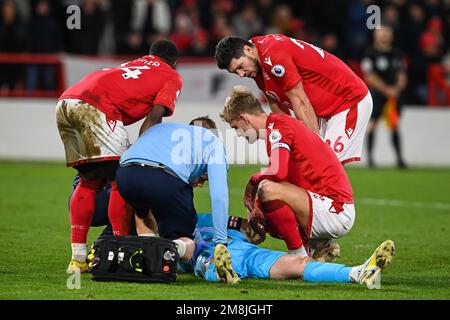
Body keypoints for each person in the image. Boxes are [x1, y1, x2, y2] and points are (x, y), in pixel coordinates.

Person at [56, 40, 182, 273]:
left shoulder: (136, 64)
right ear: (175, 63)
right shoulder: (171, 75)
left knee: (89, 181)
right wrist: (143, 153)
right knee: (121, 181)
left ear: (150, 55)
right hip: (98, 107)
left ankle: (78, 259)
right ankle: (119, 254)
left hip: (66, 101)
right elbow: (154, 118)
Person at [221, 86, 356, 262]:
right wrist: (256, 209)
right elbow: (283, 179)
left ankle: (298, 255)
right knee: (265, 211)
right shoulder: (277, 127)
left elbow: (277, 172)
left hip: (335, 209)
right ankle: (319, 245)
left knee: (267, 190)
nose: (239, 134)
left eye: (235, 127)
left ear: (244, 119)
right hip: (323, 204)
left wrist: (253, 181)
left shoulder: (278, 126)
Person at [115, 117, 240, 284]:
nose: (201, 183)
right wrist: (220, 243)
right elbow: (219, 197)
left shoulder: (164, 130)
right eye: (204, 178)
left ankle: (148, 257)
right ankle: (165, 250)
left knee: (143, 212)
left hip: (125, 176)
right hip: (165, 178)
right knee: (186, 245)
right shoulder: (215, 143)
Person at [215, 34, 373, 165]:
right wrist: (286, 144)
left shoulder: (273, 54)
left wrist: (312, 147)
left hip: (348, 100)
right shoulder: (259, 66)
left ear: (248, 50)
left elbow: (300, 101)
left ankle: (341, 204)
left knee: (324, 166)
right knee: (311, 168)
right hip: (325, 113)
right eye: (236, 72)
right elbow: (278, 110)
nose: (241, 74)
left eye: (240, 67)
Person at [187, 213, 395, 290]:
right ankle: (222, 272)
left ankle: (358, 273)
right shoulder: (174, 235)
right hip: (209, 252)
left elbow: (249, 229)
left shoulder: (209, 216)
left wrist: (256, 225)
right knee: (204, 258)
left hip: (247, 251)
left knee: (299, 264)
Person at [361, 24, 407, 168]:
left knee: (394, 125)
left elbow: (402, 73)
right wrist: (386, 89)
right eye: (381, 31)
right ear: (376, 34)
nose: (384, 35)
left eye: (387, 32)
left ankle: (400, 159)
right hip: (377, 94)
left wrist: (397, 88)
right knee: (373, 124)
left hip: (393, 95)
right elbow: (369, 76)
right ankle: (370, 160)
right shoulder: (370, 53)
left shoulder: (396, 53)